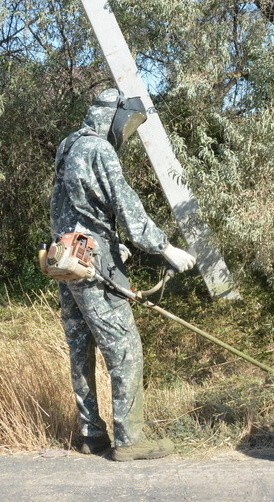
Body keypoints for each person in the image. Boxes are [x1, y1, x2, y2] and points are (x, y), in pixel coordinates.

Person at [50, 88, 196, 461]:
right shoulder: (99, 148)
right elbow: (126, 205)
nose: (127, 131)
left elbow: (74, 207)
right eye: (128, 122)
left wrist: (113, 243)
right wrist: (166, 248)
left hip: (66, 258)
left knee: (80, 350)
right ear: (111, 116)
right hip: (92, 261)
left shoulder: (68, 145)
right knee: (125, 350)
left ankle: (91, 435)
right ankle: (130, 440)